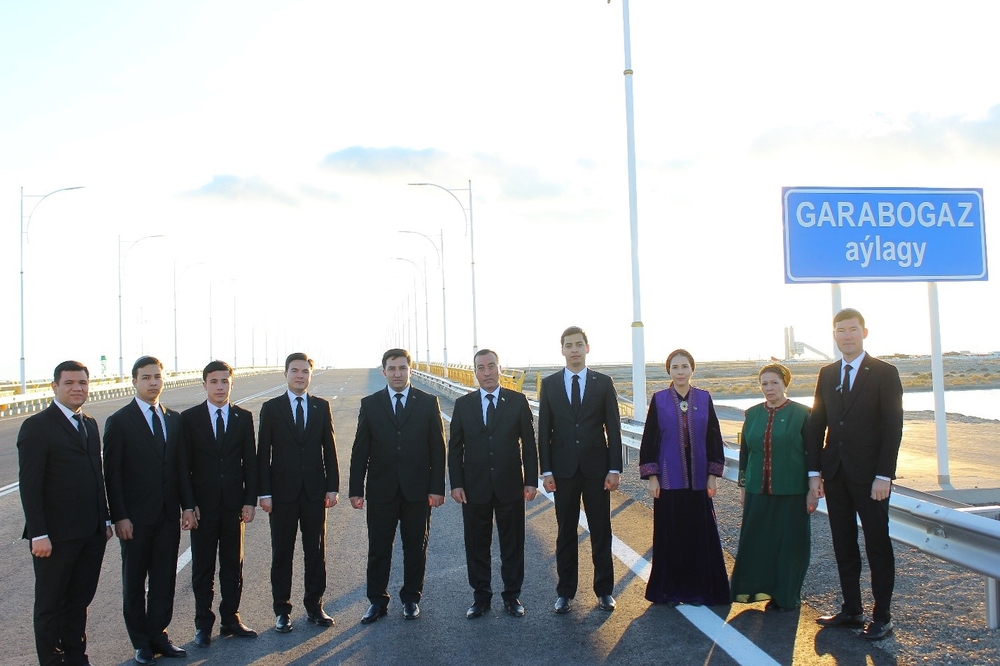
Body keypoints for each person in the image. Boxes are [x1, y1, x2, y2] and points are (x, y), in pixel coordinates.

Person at [808, 308, 903, 641]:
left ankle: (883, 615)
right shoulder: (827, 373)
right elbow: (818, 422)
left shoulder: (884, 373)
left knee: (877, 545)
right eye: (840, 331)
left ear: (864, 332)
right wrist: (814, 472)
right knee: (843, 543)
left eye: (852, 330)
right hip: (835, 474)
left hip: (870, 478)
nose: (846, 336)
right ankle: (851, 610)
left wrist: (884, 475)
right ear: (834, 335)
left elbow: (893, 427)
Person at [18, 360, 113, 666]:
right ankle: (51, 661)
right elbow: (30, 486)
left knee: (78, 602)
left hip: (91, 533)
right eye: (70, 383)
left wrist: (106, 520)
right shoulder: (37, 426)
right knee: (49, 606)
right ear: (54, 387)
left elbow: (96, 477)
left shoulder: (88, 423)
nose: (77, 388)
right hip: (55, 538)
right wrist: (39, 534)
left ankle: (76, 657)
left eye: (82, 383)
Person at [350, 348, 446, 624]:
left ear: (410, 371)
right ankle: (377, 601)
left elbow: (437, 449)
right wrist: (356, 489)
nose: (397, 373)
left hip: (417, 490)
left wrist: (437, 488)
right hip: (382, 490)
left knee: (415, 547)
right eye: (392, 368)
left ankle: (411, 598)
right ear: (384, 372)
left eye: (402, 368)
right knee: (379, 548)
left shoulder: (428, 403)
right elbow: (360, 451)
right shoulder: (370, 404)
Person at [103, 356, 187, 664]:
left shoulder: (173, 419)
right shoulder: (119, 421)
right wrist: (119, 515)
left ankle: (158, 635)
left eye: (157, 376)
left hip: (168, 516)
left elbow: (181, 468)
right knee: (135, 582)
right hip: (134, 520)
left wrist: (187, 507)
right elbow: (111, 475)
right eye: (146, 377)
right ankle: (140, 641)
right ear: (134, 381)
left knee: (164, 579)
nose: (153, 382)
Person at [449, 349, 539, 619]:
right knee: (477, 544)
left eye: (491, 366)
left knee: (513, 543)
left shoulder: (517, 401)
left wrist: (531, 481)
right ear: (475, 372)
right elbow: (454, 448)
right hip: (474, 487)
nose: (486, 372)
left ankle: (512, 596)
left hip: (510, 485)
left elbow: (529, 445)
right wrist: (456, 484)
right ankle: (481, 597)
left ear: (500, 368)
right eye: (481, 368)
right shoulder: (464, 405)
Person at [538, 326, 622, 614]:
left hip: (597, 470)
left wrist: (614, 468)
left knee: (601, 530)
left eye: (579, 345)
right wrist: (546, 471)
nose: (574, 350)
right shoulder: (549, 384)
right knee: (565, 531)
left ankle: (604, 591)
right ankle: (565, 592)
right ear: (561, 350)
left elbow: (613, 427)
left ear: (588, 348)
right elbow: (543, 431)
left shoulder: (603, 383)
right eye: (569, 345)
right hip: (562, 471)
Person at [638, 349, 729, 606]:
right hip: (669, 480)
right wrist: (652, 477)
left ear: (692, 369)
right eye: (675, 367)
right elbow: (650, 441)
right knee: (671, 535)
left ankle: (702, 589)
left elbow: (713, 437)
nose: (680, 372)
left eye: (684, 367)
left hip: (699, 479)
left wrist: (713, 474)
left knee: (700, 535)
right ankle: (669, 590)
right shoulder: (659, 400)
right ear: (668, 370)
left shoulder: (703, 397)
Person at [257, 352, 340, 633]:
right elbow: (262, 454)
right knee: (282, 553)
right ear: (286, 375)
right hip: (281, 495)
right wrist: (264, 493)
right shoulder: (271, 408)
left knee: (315, 552)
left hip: (315, 493)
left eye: (305, 371)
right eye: (295, 371)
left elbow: (329, 449)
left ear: (310, 375)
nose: (300, 376)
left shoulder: (320, 407)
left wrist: (332, 487)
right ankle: (282, 610)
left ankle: (315, 606)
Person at [179, 360, 259, 647]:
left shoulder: (243, 417)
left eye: (225, 381)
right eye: (214, 381)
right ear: (204, 385)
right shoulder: (189, 419)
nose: (220, 386)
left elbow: (250, 461)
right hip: (203, 508)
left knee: (232, 566)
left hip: (234, 507)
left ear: (231, 384)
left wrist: (250, 500)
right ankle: (203, 625)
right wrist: (188, 504)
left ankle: (231, 618)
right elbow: (183, 466)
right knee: (202, 568)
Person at [730, 363, 815, 611]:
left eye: (774, 383)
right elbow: (745, 453)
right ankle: (757, 589)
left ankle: (786, 595)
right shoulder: (752, 414)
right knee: (757, 541)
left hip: (792, 490)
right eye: (764, 383)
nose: (769, 388)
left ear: (785, 384)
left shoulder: (802, 413)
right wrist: (744, 487)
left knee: (790, 544)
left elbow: (812, 454)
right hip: (758, 489)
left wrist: (813, 486)